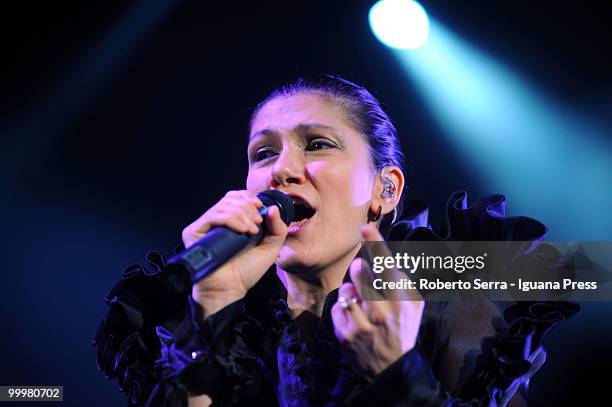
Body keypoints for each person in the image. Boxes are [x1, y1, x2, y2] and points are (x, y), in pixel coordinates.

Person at [93, 75, 579, 406]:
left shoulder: (442, 277)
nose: (280, 170)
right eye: (263, 153)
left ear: (385, 190)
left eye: (318, 143)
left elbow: (589, 272)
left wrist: (396, 374)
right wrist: (213, 305)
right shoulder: (225, 316)